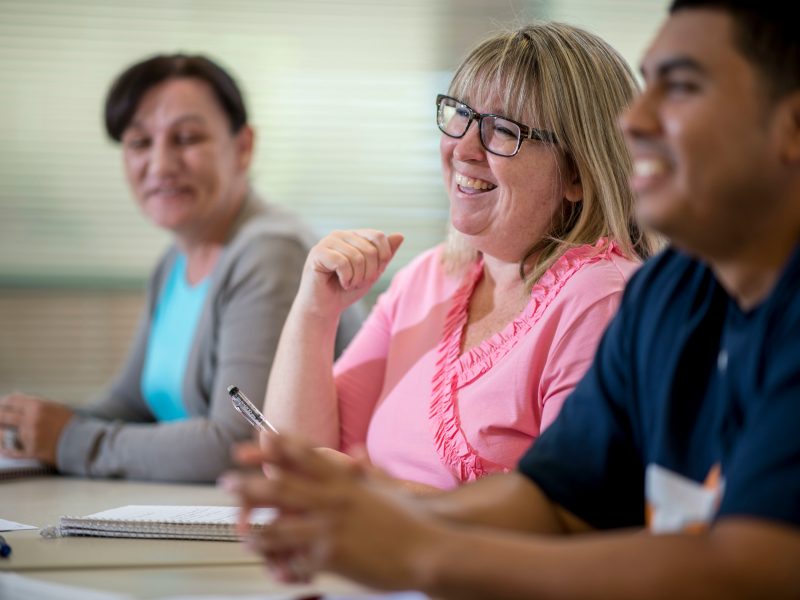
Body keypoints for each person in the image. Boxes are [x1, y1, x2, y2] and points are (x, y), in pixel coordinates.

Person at [224, 2, 800, 596]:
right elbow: (556, 499)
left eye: (680, 88)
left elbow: (755, 571)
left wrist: (419, 548)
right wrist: (361, 523)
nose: (635, 121)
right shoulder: (672, 292)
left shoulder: (612, 291)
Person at [264, 23, 657, 490]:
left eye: (503, 130)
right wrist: (315, 311)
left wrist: (373, 495)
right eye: (461, 116)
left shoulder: (603, 298)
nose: (463, 149)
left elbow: (571, 515)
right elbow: (296, 466)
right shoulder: (431, 276)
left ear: (577, 173)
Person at [0, 54, 362, 483]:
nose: (160, 165)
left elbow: (239, 445)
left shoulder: (271, 253)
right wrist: (24, 428)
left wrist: (71, 441)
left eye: (187, 138)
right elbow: (130, 404)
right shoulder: (176, 259)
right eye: (139, 143)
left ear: (243, 146)